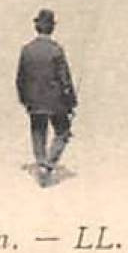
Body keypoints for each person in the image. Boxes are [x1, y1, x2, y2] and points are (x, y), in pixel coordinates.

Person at [15, 9, 77, 187]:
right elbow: (65, 79)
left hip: (34, 101)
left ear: (36, 27)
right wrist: (71, 102)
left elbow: (20, 79)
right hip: (55, 101)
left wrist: (25, 99)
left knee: (38, 131)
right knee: (63, 132)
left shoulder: (27, 50)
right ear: (52, 29)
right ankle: (49, 163)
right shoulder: (56, 50)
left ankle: (41, 161)